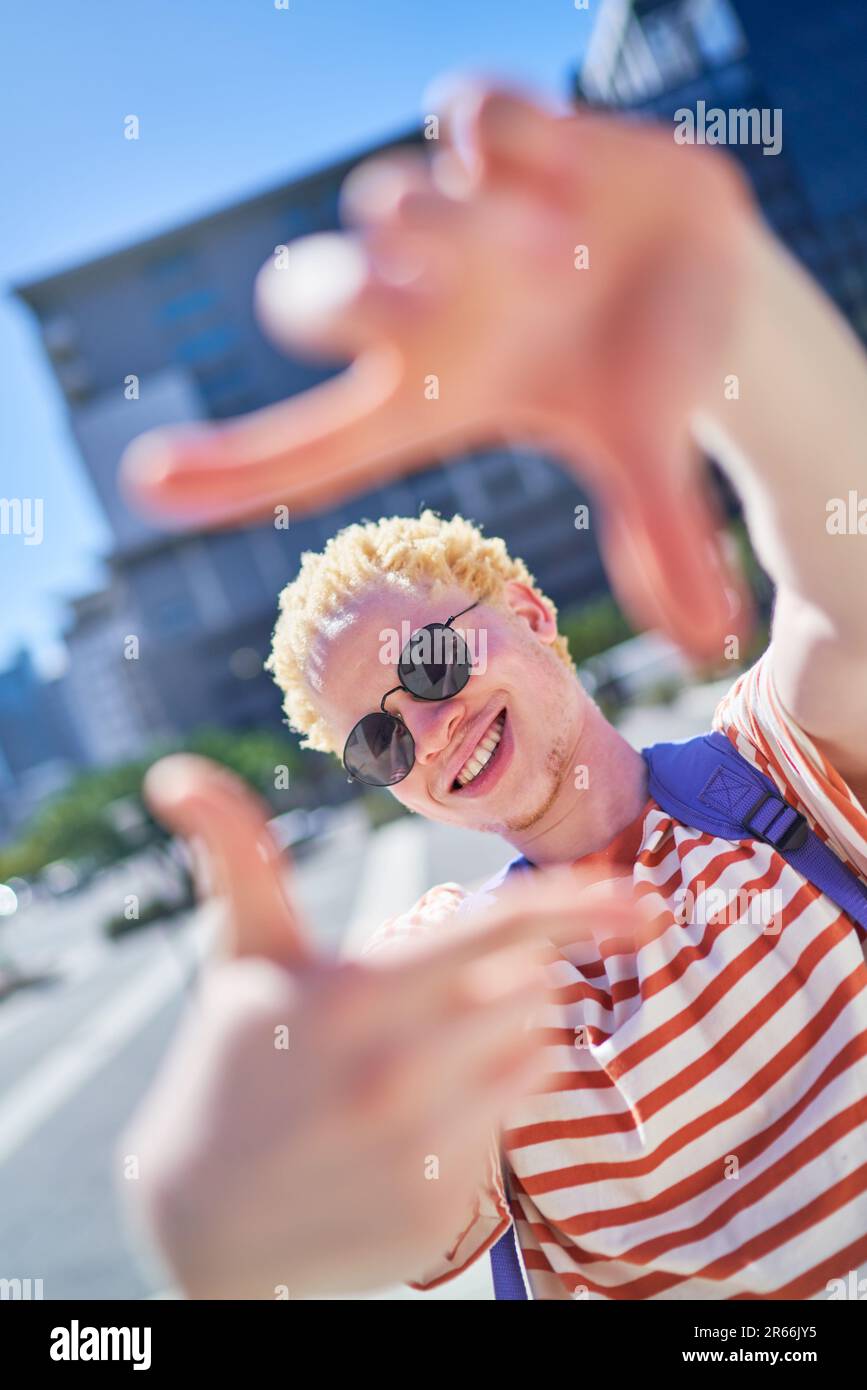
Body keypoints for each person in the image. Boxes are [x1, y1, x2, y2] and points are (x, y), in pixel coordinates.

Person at [123, 84, 867, 1299]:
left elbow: (850, 575)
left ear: (526, 614)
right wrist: (251, 1241)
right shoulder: (454, 969)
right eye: (376, 738)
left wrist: (729, 317)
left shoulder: (785, 767)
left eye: (429, 662)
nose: (425, 726)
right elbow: (395, 1192)